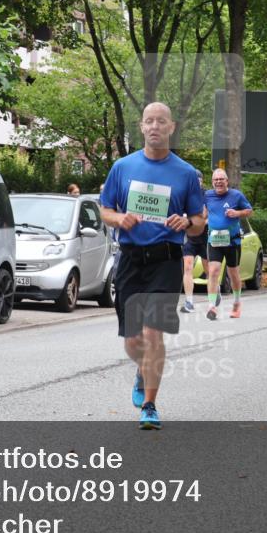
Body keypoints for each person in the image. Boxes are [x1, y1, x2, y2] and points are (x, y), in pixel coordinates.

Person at [100, 102, 205, 430]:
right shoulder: (122, 167)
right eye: (149, 121)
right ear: (142, 127)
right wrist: (120, 217)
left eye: (161, 121)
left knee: (153, 333)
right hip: (131, 259)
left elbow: (201, 222)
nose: (155, 126)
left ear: (171, 127)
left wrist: (186, 221)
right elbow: (104, 209)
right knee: (133, 340)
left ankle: (150, 404)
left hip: (166, 260)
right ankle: (142, 370)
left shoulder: (186, 173)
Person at [204, 168, 253, 319]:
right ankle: (212, 307)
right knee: (213, 272)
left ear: (227, 181)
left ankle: (237, 303)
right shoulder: (207, 195)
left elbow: (249, 210)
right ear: (212, 182)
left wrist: (237, 213)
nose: (218, 182)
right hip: (214, 240)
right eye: (215, 180)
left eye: (221, 179)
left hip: (232, 241)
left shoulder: (236, 195)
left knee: (233, 274)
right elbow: (204, 212)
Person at [180, 170, 209, 313]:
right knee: (187, 268)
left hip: (204, 236)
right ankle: (189, 301)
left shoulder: (207, 195)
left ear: (202, 181)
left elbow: (209, 214)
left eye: (199, 180)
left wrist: (204, 219)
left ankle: (214, 296)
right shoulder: (185, 194)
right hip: (190, 237)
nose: (197, 182)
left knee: (209, 270)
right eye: (194, 180)